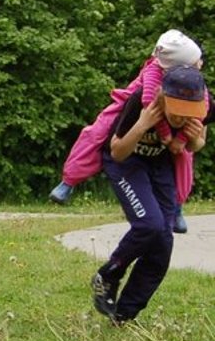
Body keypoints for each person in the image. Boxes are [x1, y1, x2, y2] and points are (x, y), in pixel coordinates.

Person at [91, 65, 209, 324]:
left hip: (159, 166)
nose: (181, 118)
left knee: (163, 243)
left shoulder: (203, 106)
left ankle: (123, 314)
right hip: (126, 162)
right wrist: (143, 124)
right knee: (150, 225)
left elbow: (196, 142)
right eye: (177, 111)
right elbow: (117, 152)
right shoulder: (140, 102)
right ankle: (108, 274)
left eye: (188, 112)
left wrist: (195, 141)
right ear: (163, 96)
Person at [55, 29, 201, 234]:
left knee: (184, 155)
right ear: (176, 67)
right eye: (195, 62)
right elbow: (148, 105)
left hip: (174, 113)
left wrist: (184, 138)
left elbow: (201, 114)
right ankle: (69, 181)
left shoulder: (191, 81)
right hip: (136, 108)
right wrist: (167, 135)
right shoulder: (154, 72)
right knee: (96, 132)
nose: (200, 65)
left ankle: (177, 207)